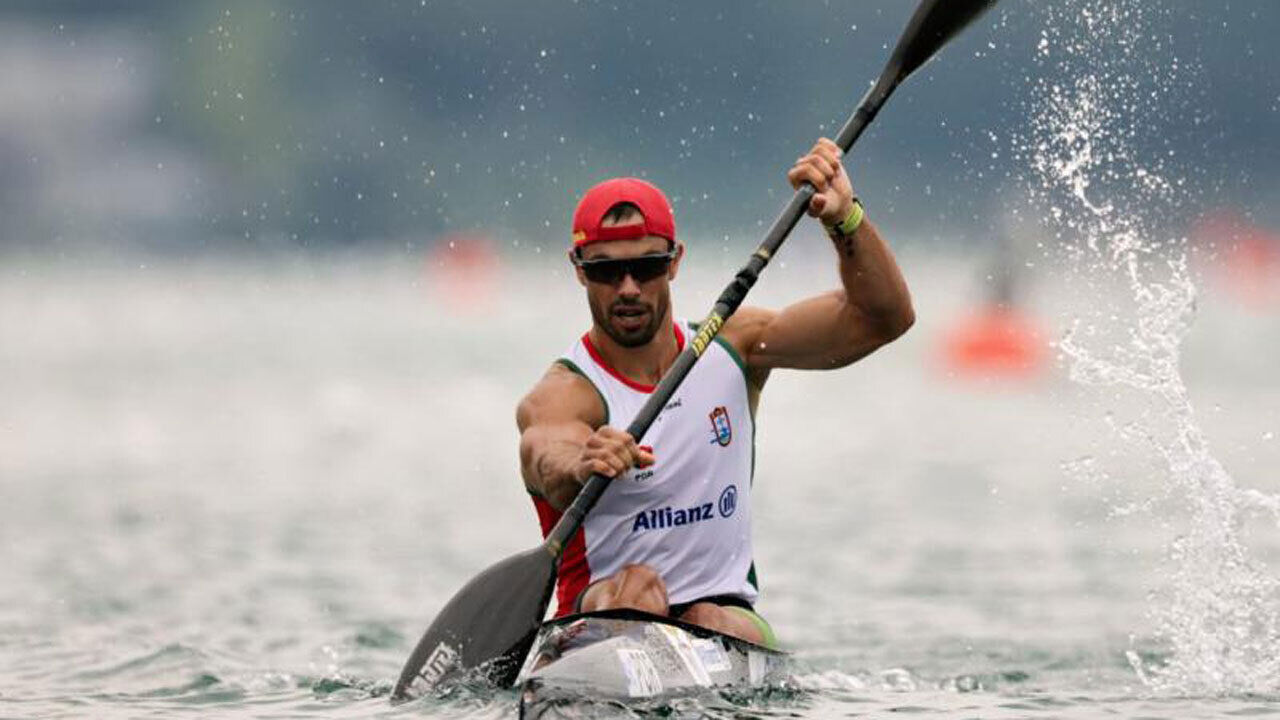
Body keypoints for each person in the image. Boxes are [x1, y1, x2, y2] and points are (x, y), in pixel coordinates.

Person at [516, 137, 914, 648]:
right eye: (606, 271)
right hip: (601, 621)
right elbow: (546, 457)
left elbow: (885, 319)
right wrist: (581, 463)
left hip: (723, 618)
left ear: (675, 261)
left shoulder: (735, 348)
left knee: (710, 617)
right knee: (637, 589)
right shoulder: (566, 394)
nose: (629, 287)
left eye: (647, 266)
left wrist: (844, 220)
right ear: (578, 270)